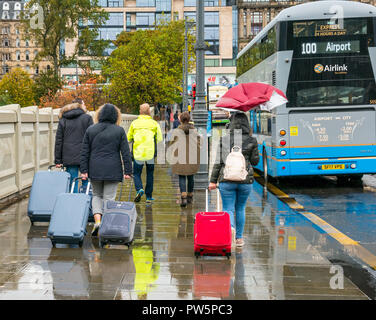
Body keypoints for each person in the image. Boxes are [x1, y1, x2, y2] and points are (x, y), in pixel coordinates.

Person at [80, 103, 133, 236]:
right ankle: (106, 223)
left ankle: (97, 220)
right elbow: (126, 152)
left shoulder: (91, 130)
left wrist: (84, 170)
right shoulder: (119, 130)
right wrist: (128, 171)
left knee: (96, 195)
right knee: (109, 197)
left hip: (95, 168)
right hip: (113, 169)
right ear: (115, 116)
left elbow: (84, 152)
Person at [208, 112, 259, 247]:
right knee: (240, 208)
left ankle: (229, 231)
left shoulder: (224, 139)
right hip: (245, 180)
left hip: (227, 180)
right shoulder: (251, 140)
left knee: (228, 208)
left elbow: (218, 162)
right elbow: (255, 162)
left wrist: (213, 181)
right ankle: (239, 239)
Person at [127, 103, 163, 204]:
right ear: (149, 112)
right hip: (150, 153)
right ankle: (149, 196)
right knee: (150, 174)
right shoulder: (154, 123)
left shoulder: (134, 123)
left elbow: (129, 138)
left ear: (140, 111)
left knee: (137, 173)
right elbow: (159, 139)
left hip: (138, 152)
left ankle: (139, 189)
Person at [54, 100, 93, 192]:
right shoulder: (87, 118)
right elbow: (92, 138)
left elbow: (59, 141)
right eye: (84, 104)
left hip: (69, 155)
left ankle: (72, 203)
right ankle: (85, 202)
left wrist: (58, 160)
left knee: (72, 181)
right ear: (79, 106)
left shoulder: (63, 119)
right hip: (85, 154)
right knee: (86, 179)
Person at [168, 112, 201, 207]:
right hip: (192, 157)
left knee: (181, 176)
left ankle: (183, 196)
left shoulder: (176, 131)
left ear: (180, 120)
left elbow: (171, 144)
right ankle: (190, 195)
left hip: (180, 157)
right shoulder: (194, 131)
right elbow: (199, 143)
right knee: (191, 177)